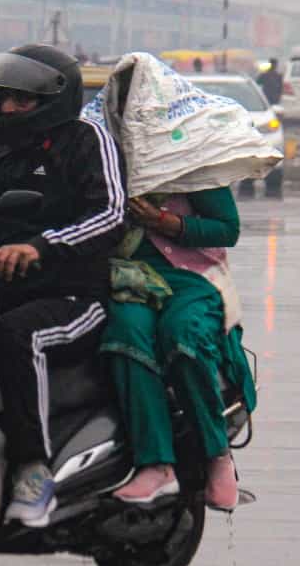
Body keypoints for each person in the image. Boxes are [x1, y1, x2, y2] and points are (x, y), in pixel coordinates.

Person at [0, 44, 126, 525]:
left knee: (15, 335)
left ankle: (33, 471)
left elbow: (110, 214)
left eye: (19, 101)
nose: (4, 109)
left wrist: (41, 247)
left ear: (53, 102)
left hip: (75, 295)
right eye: (3, 98)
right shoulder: (0, 152)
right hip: (0, 287)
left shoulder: (87, 141)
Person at [103, 189, 256, 509]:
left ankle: (216, 455)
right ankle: (156, 465)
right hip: (129, 278)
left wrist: (163, 221)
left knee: (182, 336)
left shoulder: (190, 153)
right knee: (126, 335)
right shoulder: (107, 154)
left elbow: (227, 228)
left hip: (192, 278)